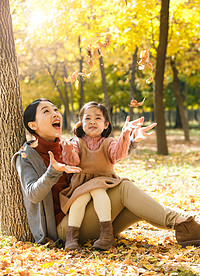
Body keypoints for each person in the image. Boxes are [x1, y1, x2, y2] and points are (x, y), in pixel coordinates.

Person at [12, 98, 200, 249]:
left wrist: (131, 140)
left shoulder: (68, 144)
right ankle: (187, 224)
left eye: (55, 110)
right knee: (124, 188)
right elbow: (32, 195)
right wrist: (53, 171)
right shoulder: (26, 156)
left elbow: (101, 156)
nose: (55, 113)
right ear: (33, 125)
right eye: (46, 111)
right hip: (65, 228)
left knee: (137, 205)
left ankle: (187, 228)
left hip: (92, 211)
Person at [59, 101, 144, 250]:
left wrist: (125, 134)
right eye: (87, 118)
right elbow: (73, 160)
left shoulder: (108, 142)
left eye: (98, 118)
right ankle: (71, 238)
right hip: (81, 183)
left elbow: (118, 153)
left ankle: (106, 234)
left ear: (106, 124)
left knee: (98, 192)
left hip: (104, 181)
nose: (92, 121)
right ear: (80, 124)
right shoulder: (75, 142)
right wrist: (66, 148)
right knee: (79, 200)